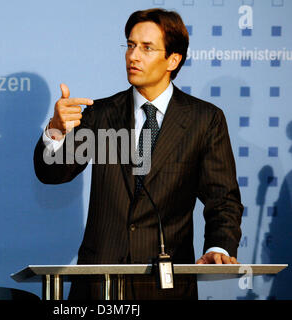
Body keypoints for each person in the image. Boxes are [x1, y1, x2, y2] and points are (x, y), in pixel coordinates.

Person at [34, 8, 243, 300]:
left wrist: (219, 247)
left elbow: (223, 199)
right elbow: (53, 173)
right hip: (99, 283)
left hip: (165, 284)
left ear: (173, 59)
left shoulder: (204, 120)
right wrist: (55, 130)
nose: (133, 56)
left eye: (146, 48)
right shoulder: (101, 114)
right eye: (131, 45)